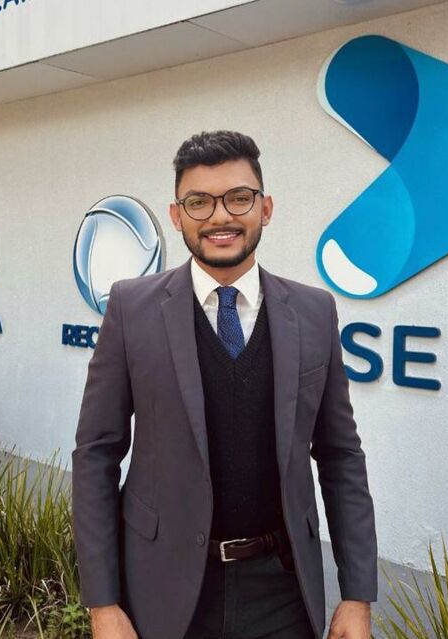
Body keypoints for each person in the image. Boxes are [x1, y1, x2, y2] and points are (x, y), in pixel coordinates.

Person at [71, 130, 377, 639]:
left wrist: (357, 594)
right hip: (162, 588)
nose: (219, 217)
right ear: (176, 216)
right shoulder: (131, 309)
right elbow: (96, 454)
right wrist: (102, 605)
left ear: (266, 208)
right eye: (199, 202)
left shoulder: (314, 312)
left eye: (239, 197)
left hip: (282, 590)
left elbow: (341, 455)